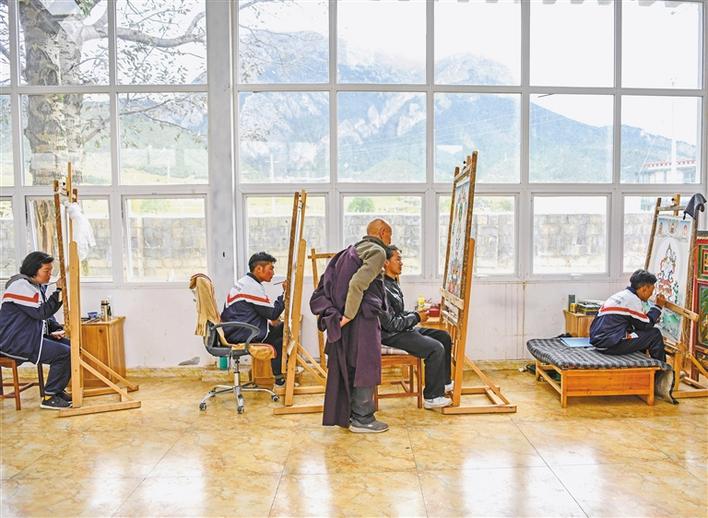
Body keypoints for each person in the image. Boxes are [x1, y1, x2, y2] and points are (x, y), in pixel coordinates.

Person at [310, 218, 391, 433]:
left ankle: (354, 414)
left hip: (354, 320)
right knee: (366, 364)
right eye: (389, 235)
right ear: (382, 232)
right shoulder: (377, 252)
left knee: (355, 363)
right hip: (362, 317)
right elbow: (357, 284)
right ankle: (363, 419)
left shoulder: (353, 249)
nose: (390, 241)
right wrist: (348, 315)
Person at [379, 245, 453, 409]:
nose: (401, 263)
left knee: (444, 337)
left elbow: (398, 313)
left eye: (401, 259)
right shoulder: (381, 288)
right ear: (386, 262)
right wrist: (417, 317)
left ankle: (444, 383)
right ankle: (432, 397)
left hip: (401, 330)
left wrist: (415, 314)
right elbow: (391, 324)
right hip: (391, 335)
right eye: (398, 259)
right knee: (436, 348)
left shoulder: (393, 282)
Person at [0, 251, 72, 409]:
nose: (49, 274)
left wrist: (53, 329)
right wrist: (59, 291)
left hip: (28, 337)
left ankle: (57, 390)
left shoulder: (34, 286)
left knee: (70, 347)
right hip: (15, 342)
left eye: (51, 271)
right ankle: (50, 396)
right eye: (46, 271)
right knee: (64, 353)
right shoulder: (19, 286)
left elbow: (45, 316)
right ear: (34, 270)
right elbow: (41, 312)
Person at [221, 252, 286, 386]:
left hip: (235, 329)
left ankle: (279, 377)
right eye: (271, 268)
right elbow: (273, 314)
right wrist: (285, 293)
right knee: (281, 336)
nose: (273, 273)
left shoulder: (245, 282)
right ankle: (280, 380)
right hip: (241, 332)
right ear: (259, 269)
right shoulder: (251, 286)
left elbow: (258, 311)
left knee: (279, 331)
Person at [590, 269, 667, 362]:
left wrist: (647, 318)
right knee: (654, 334)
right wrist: (658, 306)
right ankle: (662, 369)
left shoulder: (621, 295)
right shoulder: (632, 300)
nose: (651, 295)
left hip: (599, 342)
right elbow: (646, 325)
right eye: (651, 290)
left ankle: (643, 364)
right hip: (609, 345)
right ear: (644, 289)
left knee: (638, 332)